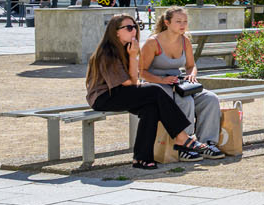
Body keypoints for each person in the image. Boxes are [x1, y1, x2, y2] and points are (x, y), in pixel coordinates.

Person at [85, 16, 202, 170]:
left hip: (121, 92)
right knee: (155, 90)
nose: (133, 29)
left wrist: (133, 57)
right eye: (128, 27)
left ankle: (142, 159)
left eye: (135, 26)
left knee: (151, 108)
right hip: (103, 97)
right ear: (116, 32)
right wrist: (133, 56)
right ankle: (181, 137)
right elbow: (130, 82)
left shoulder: (126, 47)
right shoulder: (107, 52)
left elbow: (134, 80)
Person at [139, 9, 227, 158]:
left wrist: (191, 76)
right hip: (156, 85)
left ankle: (206, 143)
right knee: (185, 101)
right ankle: (184, 145)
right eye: (178, 21)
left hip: (178, 83)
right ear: (167, 23)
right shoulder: (153, 42)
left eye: (185, 21)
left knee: (210, 98)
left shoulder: (184, 40)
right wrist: (162, 80)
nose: (183, 25)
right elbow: (141, 72)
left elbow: (191, 66)